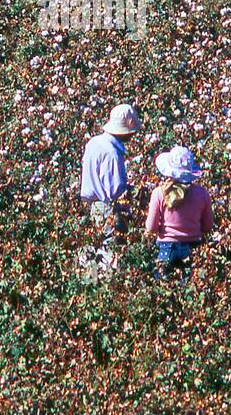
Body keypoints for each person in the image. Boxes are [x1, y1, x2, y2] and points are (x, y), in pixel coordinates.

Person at [145, 146, 213, 281]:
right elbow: (207, 226)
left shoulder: (159, 193)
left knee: (164, 292)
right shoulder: (202, 193)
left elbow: (151, 228)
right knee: (191, 291)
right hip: (193, 248)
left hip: (166, 248)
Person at [81, 103, 141, 244]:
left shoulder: (94, 143)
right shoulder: (112, 153)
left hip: (94, 207)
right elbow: (115, 191)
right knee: (112, 254)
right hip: (107, 210)